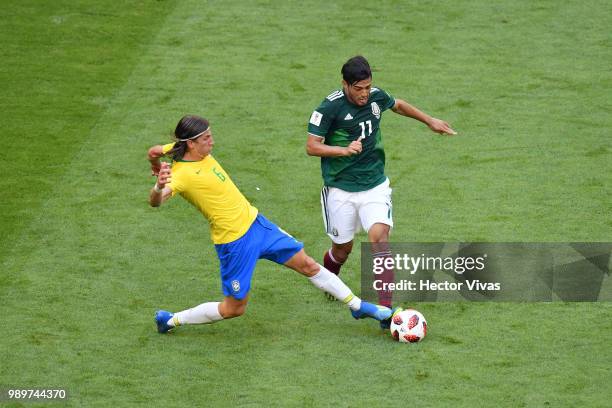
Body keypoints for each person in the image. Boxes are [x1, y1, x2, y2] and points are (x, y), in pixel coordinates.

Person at [147, 114, 392, 334]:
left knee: (307, 264)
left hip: (257, 225)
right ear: (191, 143)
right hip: (234, 243)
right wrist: (159, 184)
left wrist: (155, 163)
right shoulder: (181, 176)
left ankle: (357, 306)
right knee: (234, 308)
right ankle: (171, 320)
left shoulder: (182, 148)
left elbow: (154, 151)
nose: (212, 142)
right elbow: (156, 202)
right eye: (207, 138)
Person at [306, 56, 456, 318]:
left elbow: (397, 105)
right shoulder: (328, 109)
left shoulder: (376, 97)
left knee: (379, 239)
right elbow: (312, 146)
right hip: (340, 189)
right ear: (345, 84)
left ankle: (386, 311)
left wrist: (429, 120)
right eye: (358, 88)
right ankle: (331, 280)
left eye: (367, 87)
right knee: (342, 249)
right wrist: (343, 150)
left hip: (375, 185)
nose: (365, 94)